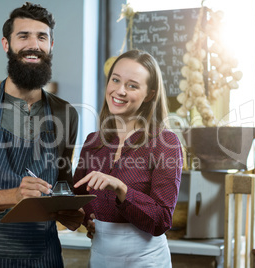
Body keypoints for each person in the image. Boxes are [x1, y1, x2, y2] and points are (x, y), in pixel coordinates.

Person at [0, 3, 83, 267]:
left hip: (45, 255)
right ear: (6, 44)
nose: (33, 45)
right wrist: (15, 196)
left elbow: (62, 183)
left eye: (41, 37)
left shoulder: (65, 113)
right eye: (23, 36)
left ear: (51, 45)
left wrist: (71, 211)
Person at [73, 49, 183, 267]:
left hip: (146, 259)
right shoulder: (93, 142)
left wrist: (121, 189)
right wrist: (88, 219)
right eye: (115, 80)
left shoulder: (165, 143)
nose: (119, 91)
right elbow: (78, 195)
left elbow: (161, 220)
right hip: (100, 257)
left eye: (132, 85)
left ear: (149, 94)